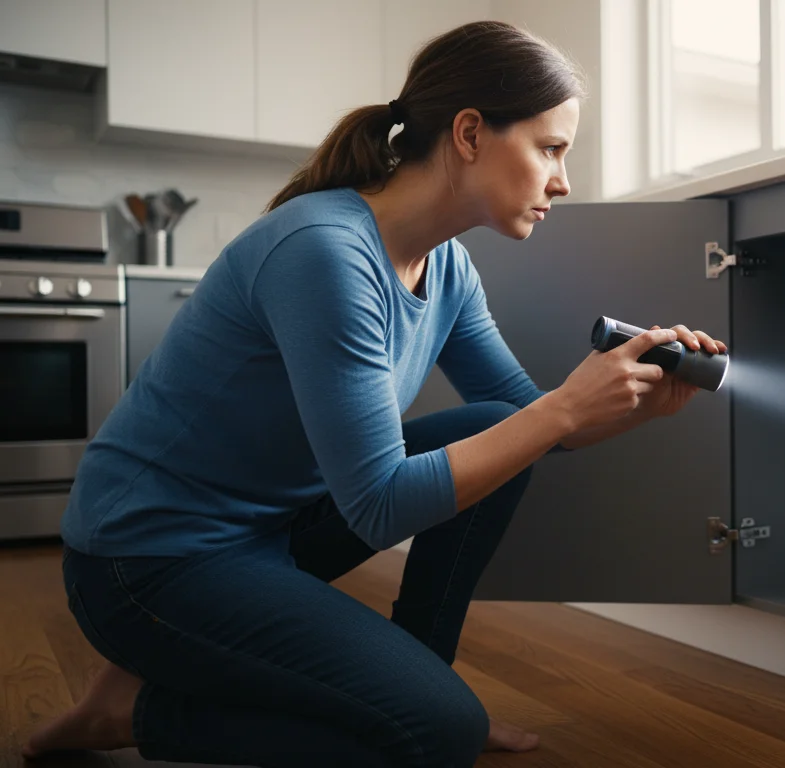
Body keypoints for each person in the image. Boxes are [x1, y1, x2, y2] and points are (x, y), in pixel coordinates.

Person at [23, 20, 725, 767]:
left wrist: (632, 396)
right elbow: (380, 503)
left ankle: (418, 674)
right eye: (550, 148)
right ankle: (137, 711)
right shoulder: (326, 252)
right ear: (469, 133)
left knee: (499, 424)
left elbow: (530, 421)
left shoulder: (447, 266)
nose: (563, 179)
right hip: (146, 560)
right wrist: (560, 409)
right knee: (437, 731)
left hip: (268, 530)